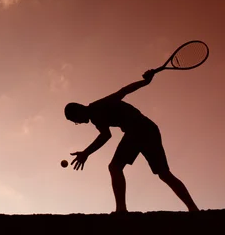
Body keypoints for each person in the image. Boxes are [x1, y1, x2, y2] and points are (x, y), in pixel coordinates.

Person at [65, 69, 199, 213]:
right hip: (149, 128)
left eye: (75, 120)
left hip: (137, 129)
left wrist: (86, 153)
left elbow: (107, 132)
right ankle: (193, 209)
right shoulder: (96, 113)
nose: (78, 123)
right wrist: (145, 82)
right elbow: (122, 93)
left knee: (115, 167)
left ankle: (121, 210)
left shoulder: (96, 109)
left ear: (78, 111)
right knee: (164, 174)